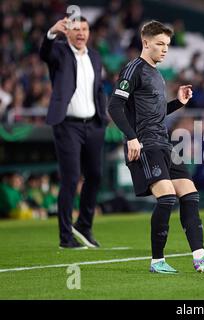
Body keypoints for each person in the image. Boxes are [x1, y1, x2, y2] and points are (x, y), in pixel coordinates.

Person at [107, 20, 204, 274]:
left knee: (190, 193)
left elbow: (155, 114)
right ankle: (157, 261)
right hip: (145, 144)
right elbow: (114, 106)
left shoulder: (156, 74)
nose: (165, 49)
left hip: (163, 143)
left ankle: (200, 256)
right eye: (160, 44)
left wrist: (178, 103)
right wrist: (131, 137)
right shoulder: (134, 69)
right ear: (146, 43)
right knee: (166, 198)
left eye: (167, 44)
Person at [40, 16, 107, 248]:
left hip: (94, 125)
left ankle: (84, 226)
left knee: (96, 176)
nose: (81, 33)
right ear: (67, 32)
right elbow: (44, 54)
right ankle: (65, 236)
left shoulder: (95, 56)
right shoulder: (59, 52)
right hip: (67, 125)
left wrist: (103, 117)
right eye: (76, 29)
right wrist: (51, 34)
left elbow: (98, 88)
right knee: (70, 178)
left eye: (85, 29)